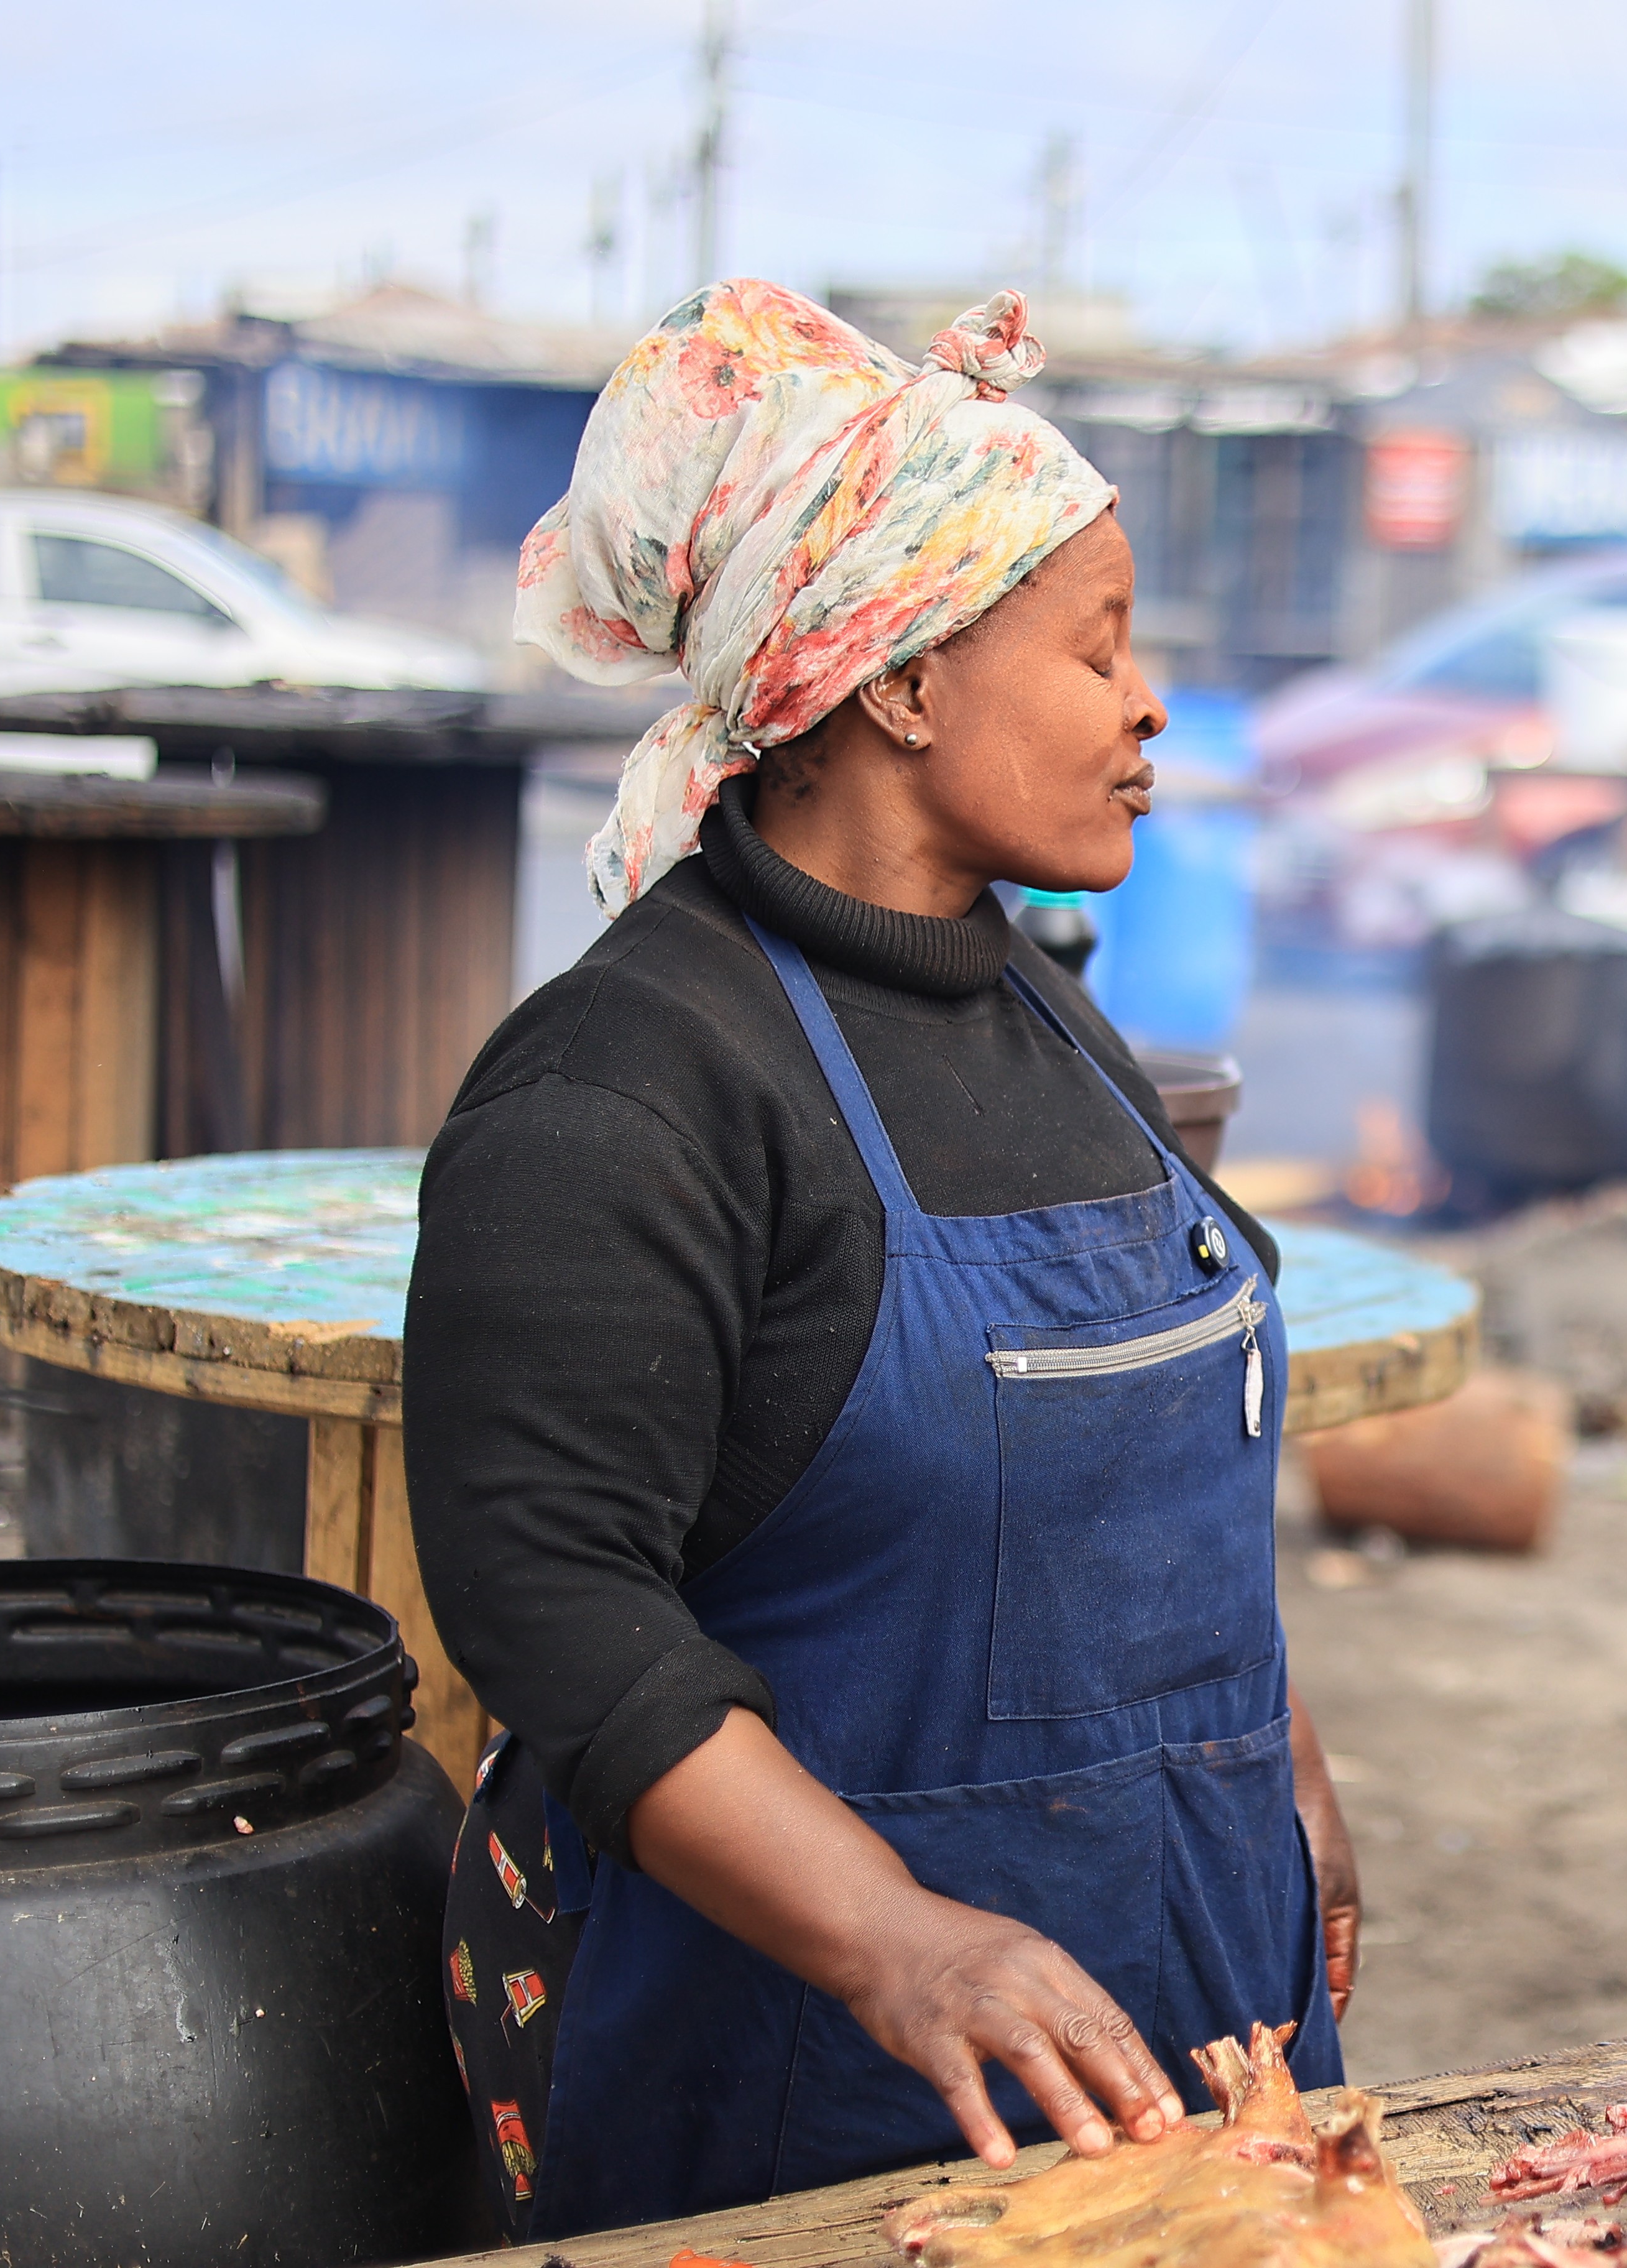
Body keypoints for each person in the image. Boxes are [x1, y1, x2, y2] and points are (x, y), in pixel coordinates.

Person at [406, 281, 1357, 2240]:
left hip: (1178, 2023)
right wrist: (895, 1943)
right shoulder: (630, 1079)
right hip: (831, 2079)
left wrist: (1293, 1778)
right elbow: (558, 1605)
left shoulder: (1045, 1011)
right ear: (903, 679)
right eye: (1099, 647)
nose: (1150, 697)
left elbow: (1158, 1469)